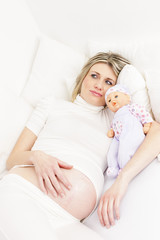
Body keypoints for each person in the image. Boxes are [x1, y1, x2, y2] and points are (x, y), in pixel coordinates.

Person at [0, 52, 159, 239]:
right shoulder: (52, 105)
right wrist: (38, 157)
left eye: (109, 82)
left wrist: (122, 179)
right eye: (94, 76)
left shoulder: (117, 121)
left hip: (69, 222)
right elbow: (12, 159)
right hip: (24, 193)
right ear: (83, 77)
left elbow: (156, 133)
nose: (99, 85)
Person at [105, 84, 153, 178]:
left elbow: (143, 113)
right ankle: (113, 167)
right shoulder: (115, 117)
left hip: (131, 132)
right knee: (112, 151)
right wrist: (112, 131)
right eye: (109, 100)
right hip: (118, 137)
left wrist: (147, 124)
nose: (113, 100)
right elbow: (114, 125)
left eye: (116, 96)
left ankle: (125, 168)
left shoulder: (131, 108)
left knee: (125, 150)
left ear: (127, 97)